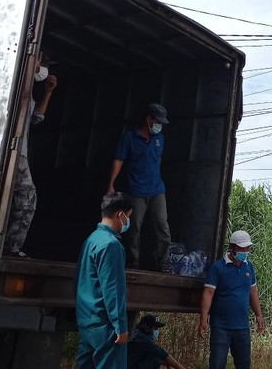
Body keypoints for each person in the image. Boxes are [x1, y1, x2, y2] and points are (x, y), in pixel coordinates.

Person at [4, 52, 57, 257]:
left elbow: (37, 118)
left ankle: (10, 245)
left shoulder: (29, 92)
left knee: (20, 199)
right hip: (16, 152)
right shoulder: (16, 82)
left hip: (21, 152)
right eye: (42, 64)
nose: (43, 70)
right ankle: (11, 247)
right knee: (27, 198)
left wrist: (48, 92)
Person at [108, 103, 171, 272]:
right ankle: (133, 261)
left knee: (162, 226)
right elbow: (118, 160)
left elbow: (157, 160)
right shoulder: (129, 137)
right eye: (158, 121)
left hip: (157, 190)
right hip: (136, 190)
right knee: (134, 226)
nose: (160, 126)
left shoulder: (160, 139)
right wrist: (111, 185)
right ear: (149, 119)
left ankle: (163, 261)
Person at [75, 192, 134, 369]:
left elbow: (79, 280)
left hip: (87, 322)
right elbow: (113, 289)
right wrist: (120, 326)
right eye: (128, 217)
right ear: (120, 214)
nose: (128, 222)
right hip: (105, 325)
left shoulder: (91, 239)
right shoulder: (111, 245)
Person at [198, 230, 266, 369]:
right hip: (221, 327)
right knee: (217, 364)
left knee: (244, 364)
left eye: (247, 248)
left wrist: (259, 314)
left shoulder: (249, 266)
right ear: (233, 248)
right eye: (242, 248)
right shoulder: (218, 268)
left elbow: (252, 291)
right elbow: (208, 293)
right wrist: (203, 319)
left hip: (242, 327)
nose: (245, 251)